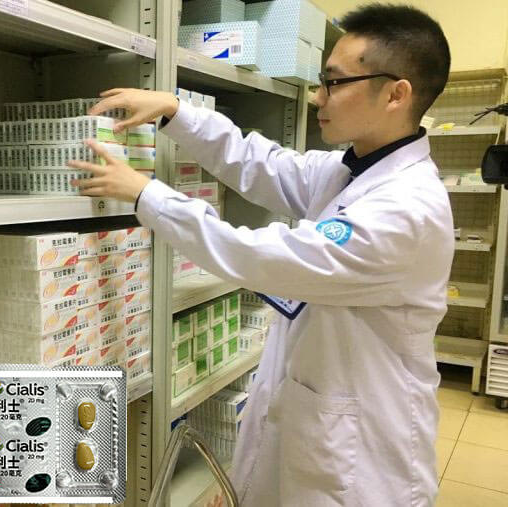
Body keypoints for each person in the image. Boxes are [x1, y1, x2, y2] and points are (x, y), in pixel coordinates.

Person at [69, 3, 453, 506]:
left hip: (361, 462)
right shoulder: (350, 169)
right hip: (316, 426)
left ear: (396, 94)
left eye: (335, 82)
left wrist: (147, 195)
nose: (317, 96)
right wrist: (176, 111)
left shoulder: (406, 209)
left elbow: (259, 256)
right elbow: (263, 164)